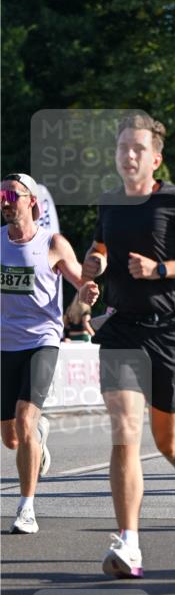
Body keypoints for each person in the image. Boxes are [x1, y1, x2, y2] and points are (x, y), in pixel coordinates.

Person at [81, 113, 175, 578]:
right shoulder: (109, 203)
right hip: (122, 328)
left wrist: (162, 270)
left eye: (138, 149)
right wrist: (94, 266)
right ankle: (129, 543)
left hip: (167, 330)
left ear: (155, 158)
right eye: (122, 147)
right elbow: (100, 248)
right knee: (125, 429)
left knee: (167, 440)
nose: (128, 155)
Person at [1, 172, 98, 534]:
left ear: (32, 202)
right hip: (4, 344)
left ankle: (26, 508)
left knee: (24, 420)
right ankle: (38, 440)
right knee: (11, 438)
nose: (6, 201)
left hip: (42, 339)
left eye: (13, 194)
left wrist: (87, 291)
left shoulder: (52, 242)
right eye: (2, 195)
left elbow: (79, 279)